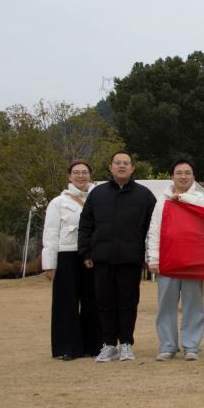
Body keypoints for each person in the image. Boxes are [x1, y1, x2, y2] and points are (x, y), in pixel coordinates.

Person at [78, 150, 157, 363]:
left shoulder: (145, 195)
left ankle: (127, 344)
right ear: (110, 167)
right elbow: (85, 225)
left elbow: (152, 228)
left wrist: (149, 255)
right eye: (118, 163)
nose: (122, 166)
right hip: (102, 259)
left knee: (128, 303)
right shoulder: (97, 193)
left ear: (132, 168)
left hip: (131, 260)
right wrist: (85, 252)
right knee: (104, 302)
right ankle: (109, 345)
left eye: (126, 163)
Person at [146, 156, 204, 361]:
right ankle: (167, 345)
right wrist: (153, 258)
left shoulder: (202, 197)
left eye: (187, 173)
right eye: (179, 173)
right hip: (168, 260)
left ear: (193, 176)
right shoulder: (162, 200)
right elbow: (154, 230)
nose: (183, 176)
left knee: (193, 304)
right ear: (172, 176)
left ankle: (191, 345)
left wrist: (183, 199)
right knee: (166, 304)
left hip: (193, 260)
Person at [42, 159, 100, 360]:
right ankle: (68, 347)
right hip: (66, 255)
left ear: (90, 175)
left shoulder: (98, 199)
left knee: (93, 301)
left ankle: (94, 345)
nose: (80, 176)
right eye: (76, 172)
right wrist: (50, 264)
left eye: (84, 172)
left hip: (92, 255)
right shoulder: (58, 202)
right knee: (66, 303)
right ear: (69, 176)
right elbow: (50, 234)